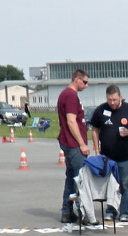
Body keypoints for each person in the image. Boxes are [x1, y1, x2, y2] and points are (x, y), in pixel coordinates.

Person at [90, 84, 128, 222]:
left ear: (120, 98)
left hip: (124, 156)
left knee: (124, 185)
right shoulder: (101, 110)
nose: (112, 102)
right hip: (107, 157)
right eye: (109, 100)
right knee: (109, 184)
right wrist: (96, 148)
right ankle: (110, 210)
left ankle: (124, 211)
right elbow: (94, 129)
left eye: (115, 100)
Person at [57, 69, 90, 223]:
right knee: (80, 179)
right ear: (76, 79)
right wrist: (82, 144)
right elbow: (71, 121)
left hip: (68, 142)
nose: (86, 85)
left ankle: (67, 211)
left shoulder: (66, 94)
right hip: (73, 144)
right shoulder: (70, 95)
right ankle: (83, 212)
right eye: (84, 82)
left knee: (71, 178)